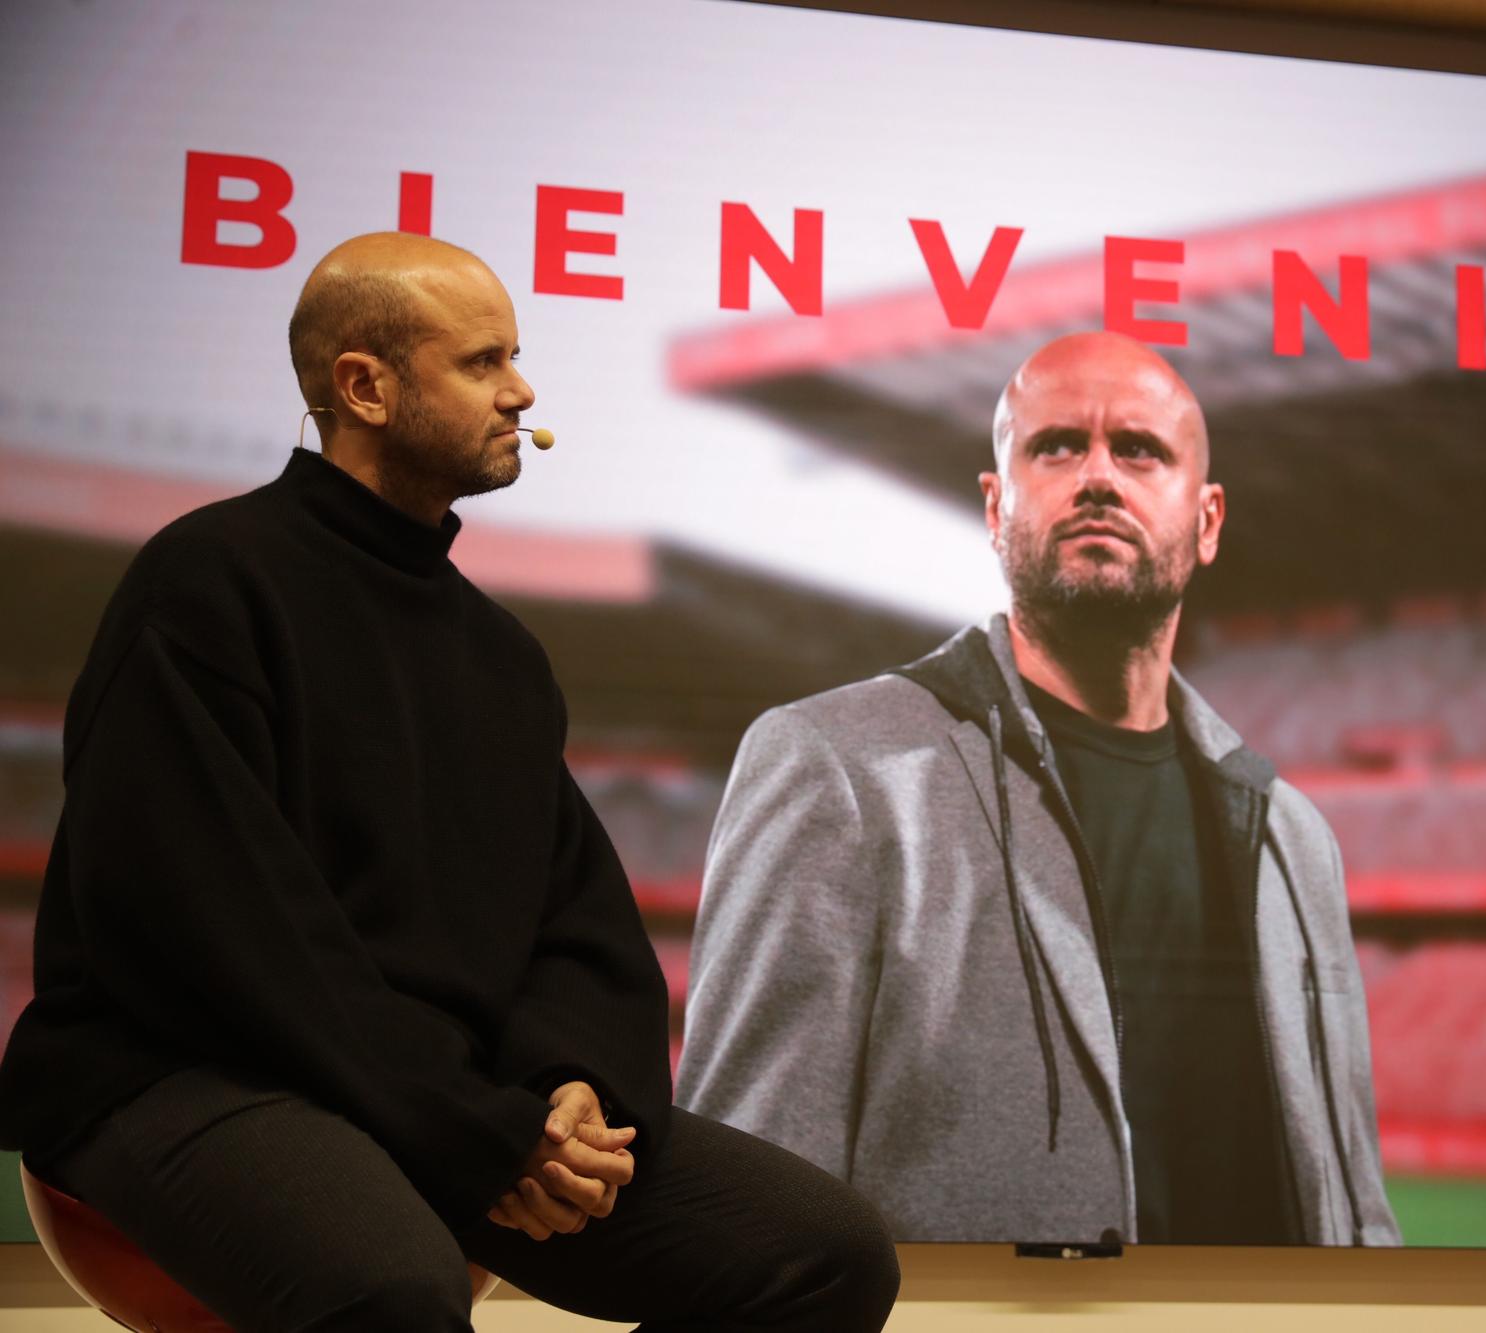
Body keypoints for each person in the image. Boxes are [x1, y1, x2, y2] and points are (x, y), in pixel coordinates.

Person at [0, 233, 899, 1331]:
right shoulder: (206, 583)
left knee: (823, 1254)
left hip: (449, 1098)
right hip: (188, 1068)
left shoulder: (499, 650)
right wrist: (475, 1130)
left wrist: (576, 1088)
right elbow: (228, 939)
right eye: (481, 362)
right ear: (363, 386)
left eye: (513, 357)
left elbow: (574, 917)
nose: (520, 391)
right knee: (390, 1293)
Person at [679, 330, 1399, 1246]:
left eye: (1139, 449)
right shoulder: (836, 766)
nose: (1098, 476)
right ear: (994, 505)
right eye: (1056, 446)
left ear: (1207, 520)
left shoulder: (1292, 837)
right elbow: (744, 1202)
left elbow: (1353, 1200)